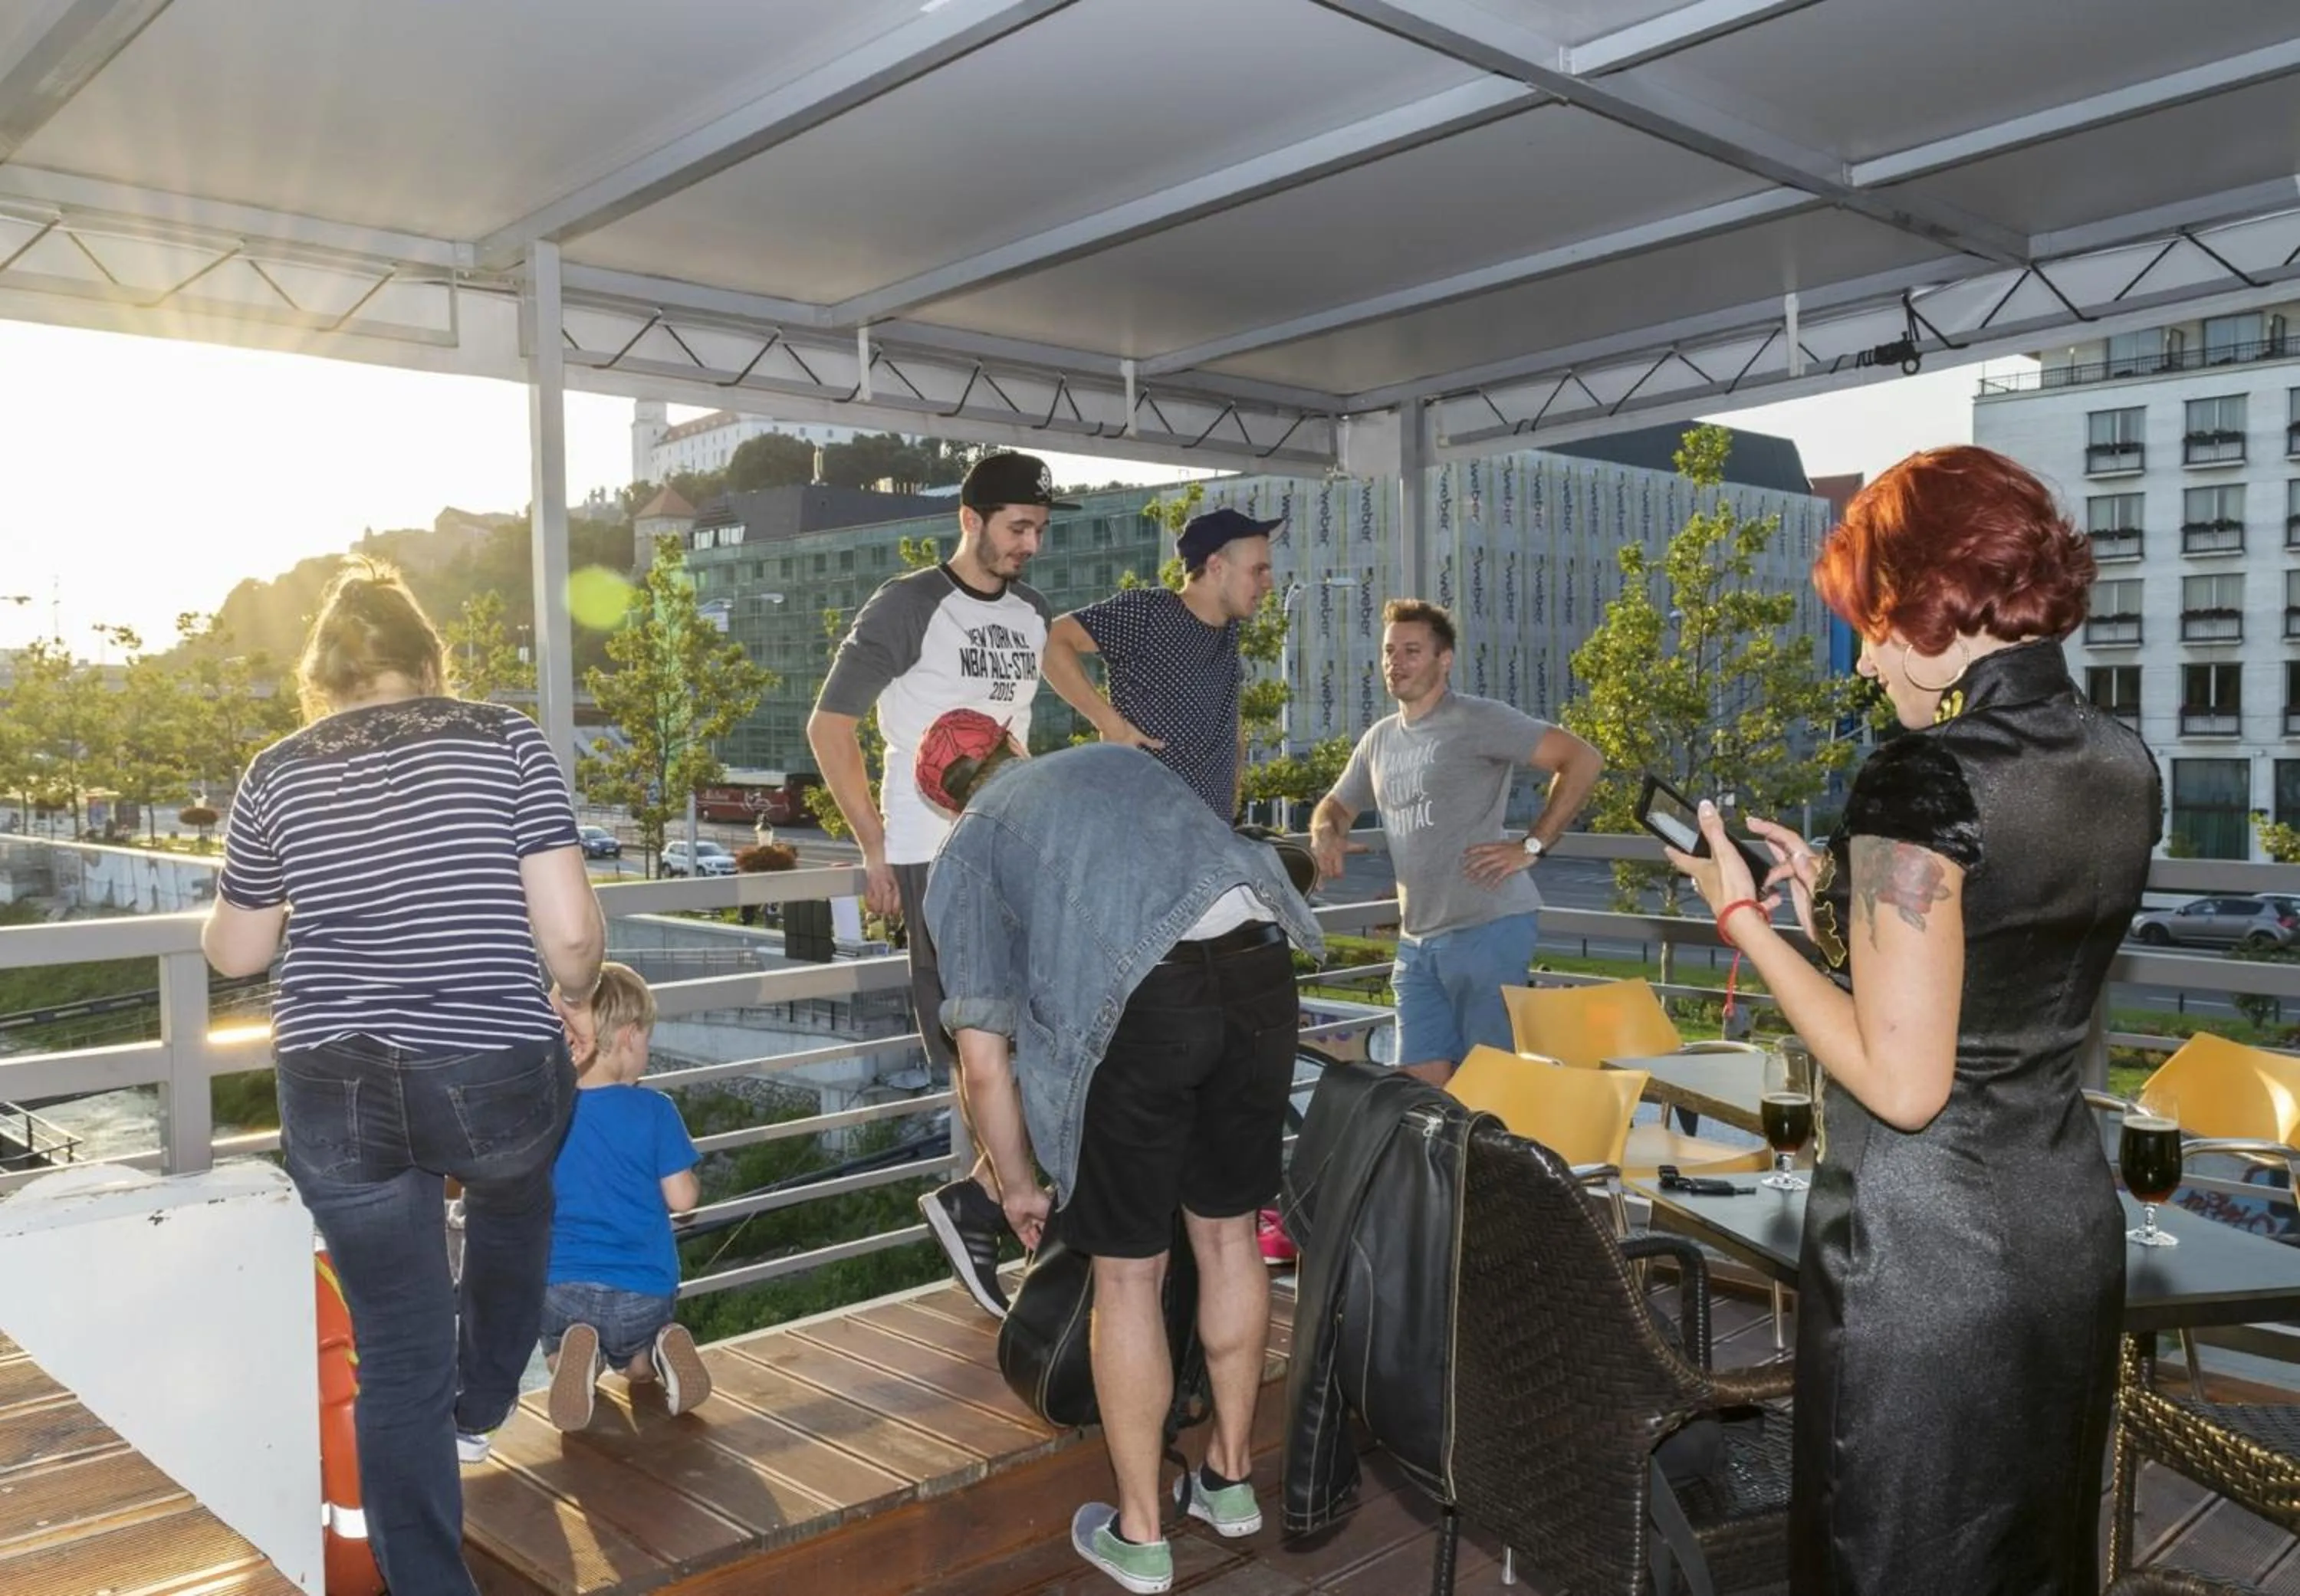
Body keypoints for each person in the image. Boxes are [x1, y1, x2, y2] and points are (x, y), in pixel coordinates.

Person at [1661, 446, 2157, 1596]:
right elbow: (2000, 967)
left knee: (1889, 1559)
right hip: (2064, 1235)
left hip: (1924, 1257)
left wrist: (1745, 919)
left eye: (1879, 619)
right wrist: (1840, 898)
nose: (1873, 652)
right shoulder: (2121, 761)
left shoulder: (1919, 780)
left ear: (1939, 600)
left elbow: (1904, 1080)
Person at [200, 559, 603, 1596]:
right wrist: (579, 990)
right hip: (489, 1058)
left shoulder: (276, 768)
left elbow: (236, 953)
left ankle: (429, 1574)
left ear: (325, 677)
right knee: (517, 1193)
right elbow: (565, 935)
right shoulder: (505, 736)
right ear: (433, 660)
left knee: (396, 1348)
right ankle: (484, 1392)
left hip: (332, 1079)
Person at [916, 711, 1322, 1596]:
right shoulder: (1109, 761)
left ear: (943, 802)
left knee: (1129, 1275)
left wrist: (1018, 1185)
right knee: (1226, 1238)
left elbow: (984, 1063)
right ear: (1017, 748)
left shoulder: (970, 849)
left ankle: (1141, 1534)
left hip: (1149, 1014)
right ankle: (1229, 1480)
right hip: (1260, 972)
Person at [806, 450, 1063, 1318]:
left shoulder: (1031, 613)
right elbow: (829, 725)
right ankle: (992, 1201)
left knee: (1027, 1038)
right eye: (1017, 528)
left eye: (1039, 531)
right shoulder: (910, 604)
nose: (1030, 545)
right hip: (931, 853)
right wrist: (874, 845)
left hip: (1014, 847)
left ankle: (987, 1199)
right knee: (976, 1043)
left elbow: (1019, 737)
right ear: (972, 518)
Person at [1308, 599, 1602, 1084]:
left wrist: (1532, 845)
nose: (1395, 663)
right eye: (1388, 652)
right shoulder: (1380, 739)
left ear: (1444, 660)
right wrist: (1325, 833)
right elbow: (1336, 805)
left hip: (1486, 928)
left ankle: (1490, 1165)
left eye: (1411, 651)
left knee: (1489, 1086)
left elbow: (1582, 759)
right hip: (1416, 942)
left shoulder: (1478, 719)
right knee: (1422, 1090)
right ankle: (1443, 1165)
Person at [540, 962, 710, 1432]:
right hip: (643, 1292)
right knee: (636, 1367)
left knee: (557, 1355)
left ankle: (577, 1356)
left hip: (562, 1286)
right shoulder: (656, 1111)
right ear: (631, 1036)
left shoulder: (549, 1111)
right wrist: (689, 1180)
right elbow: (682, 1201)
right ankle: (657, 1348)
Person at [1040, 506, 1280, 818]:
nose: (1269, 583)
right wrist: (1111, 725)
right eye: (1257, 570)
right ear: (1216, 566)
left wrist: (1234, 785)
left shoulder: (1229, 629)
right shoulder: (1148, 613)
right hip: (1144, 835)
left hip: (1211, 838)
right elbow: (1050, 641)